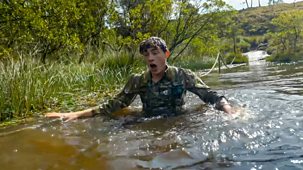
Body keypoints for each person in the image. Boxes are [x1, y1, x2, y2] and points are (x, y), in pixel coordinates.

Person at [46, 37, 234, 121]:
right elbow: (112, 105)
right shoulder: (138, 80)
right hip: (148, 119)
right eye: (146, 55)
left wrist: (229, 111)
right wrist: (75, 114)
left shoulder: (182, 75)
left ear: (166, 54)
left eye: (155, 53)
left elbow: (211, 96)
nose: (150, 58)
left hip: (178, 120)